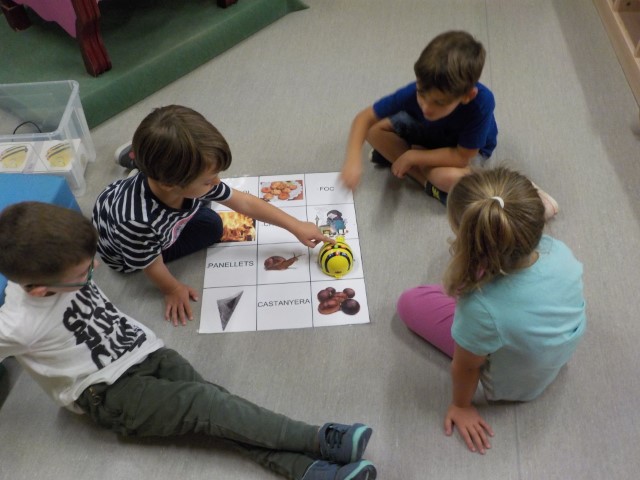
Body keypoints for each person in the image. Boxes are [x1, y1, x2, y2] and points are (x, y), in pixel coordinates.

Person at [0, 202, 376, 480]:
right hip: (106, 391)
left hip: (147, 352)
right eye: (84, 272)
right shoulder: (17, 323)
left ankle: (310, 472)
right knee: (208, 405)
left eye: (91, 260)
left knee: (220, 412)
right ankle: (318, 439)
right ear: (39, 290)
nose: (94, 268)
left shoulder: (62, 263)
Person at [396, 167, 585, 454]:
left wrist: (461, 405)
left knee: (410, 302)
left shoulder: (480, 308)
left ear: (465, 234)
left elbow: (466, 366)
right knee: (479, 306)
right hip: (552, 357)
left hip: (518, 382)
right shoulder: (559, 251)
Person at [94, 105, 333, 327]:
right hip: (128, 252)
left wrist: (295, 225)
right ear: (169, 183)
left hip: (149, 198)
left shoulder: (184, 181)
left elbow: (244, 202)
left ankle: (141, 158)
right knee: (212, 226)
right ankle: (140, 158)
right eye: (209, 180)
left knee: (207, 203)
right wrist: (172, 289)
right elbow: (150, 264)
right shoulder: (137, 223)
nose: (217, 182)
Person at [340, 31, 558, 219]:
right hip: (428, 133)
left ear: (467, 96)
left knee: (442, 176)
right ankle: (425, 180)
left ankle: (510, 183)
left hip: (463, 149)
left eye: (439, 102)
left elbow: (461, 156)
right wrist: (352, 160)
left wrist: (412, 156)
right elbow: (364, 119)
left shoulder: (481, 103)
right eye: (421, 94)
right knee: (373, 131)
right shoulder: (419, 91)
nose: (426, 107)